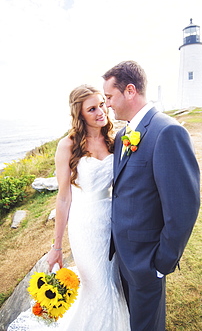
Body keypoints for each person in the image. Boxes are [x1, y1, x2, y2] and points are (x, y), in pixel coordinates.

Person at [7, 85, 130, 331]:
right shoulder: (68, 145)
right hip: (85, 225)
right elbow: (63, 198)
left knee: (113, 282)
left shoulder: (114, 139)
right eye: (92, 109)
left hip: (113, 221)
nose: (100, 112)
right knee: (98, 286)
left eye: (101, 104)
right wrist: (57, 247)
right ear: (80, 114)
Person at [103, 61, 200, 331]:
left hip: (147, 262)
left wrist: (161, 264)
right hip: (123, 255)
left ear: (130, 91)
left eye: (109, 97)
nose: (107, 104)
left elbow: (183, 209)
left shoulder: (167, 131)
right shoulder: (123, 134)